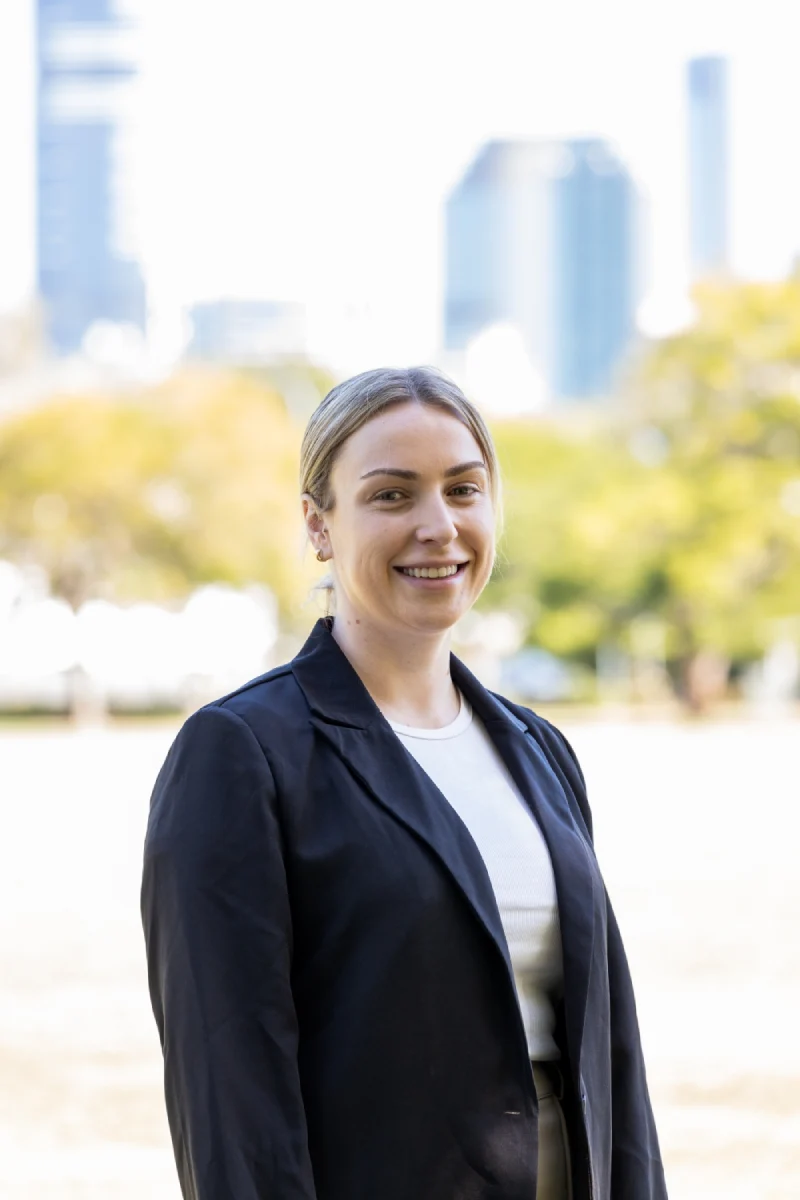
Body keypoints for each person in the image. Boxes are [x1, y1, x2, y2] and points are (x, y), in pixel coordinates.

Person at [141, 366, 668, 1200]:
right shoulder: (241, 753)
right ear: (319, 525)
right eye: (392, 496)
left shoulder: (540, 750)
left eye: (464, 490)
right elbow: (229, 1089)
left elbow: (612, 1059)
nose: (439, 526)